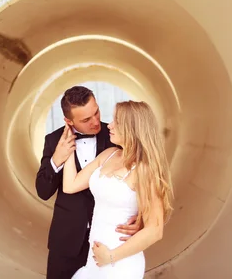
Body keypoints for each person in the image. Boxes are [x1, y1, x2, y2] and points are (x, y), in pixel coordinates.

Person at [35, 86, 142, 279]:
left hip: (109, 241)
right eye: (86, 119)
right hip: (67, 242)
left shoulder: (116, 137)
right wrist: (56, 160)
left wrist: (141, 217)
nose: (95, 122)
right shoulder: (53, 141)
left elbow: (141, 182)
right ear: (69, 121)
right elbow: (43, 191)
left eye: (96, 112)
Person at [63, 100, 174, 278]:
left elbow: (155, 229)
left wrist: (111, 257)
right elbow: (71, 185)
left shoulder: (145, 170)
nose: (110, 125)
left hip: (120, 263)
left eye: (117, 121)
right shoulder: (108, 155)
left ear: (133, 128)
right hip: (94, 262)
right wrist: (67, 149)